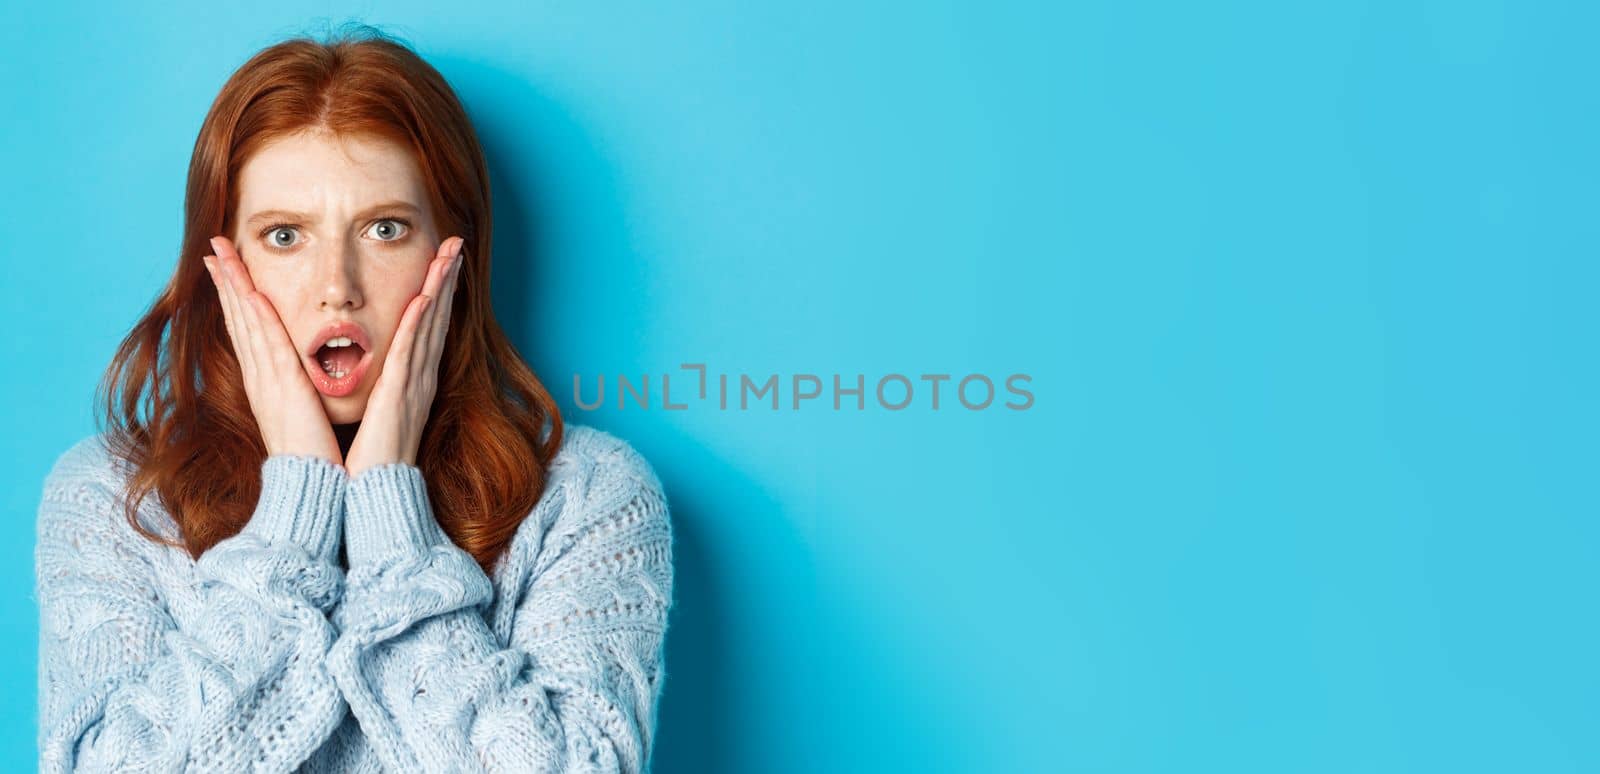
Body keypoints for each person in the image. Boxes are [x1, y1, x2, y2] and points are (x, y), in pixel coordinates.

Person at [34, 23, 674, 773]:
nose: (337, 285)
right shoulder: (115, 499)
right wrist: (294, 515)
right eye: (284, 236)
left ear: (454, 253)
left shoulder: (589, 496)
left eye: (385, 228)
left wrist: (390, 516)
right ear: (222, 263)